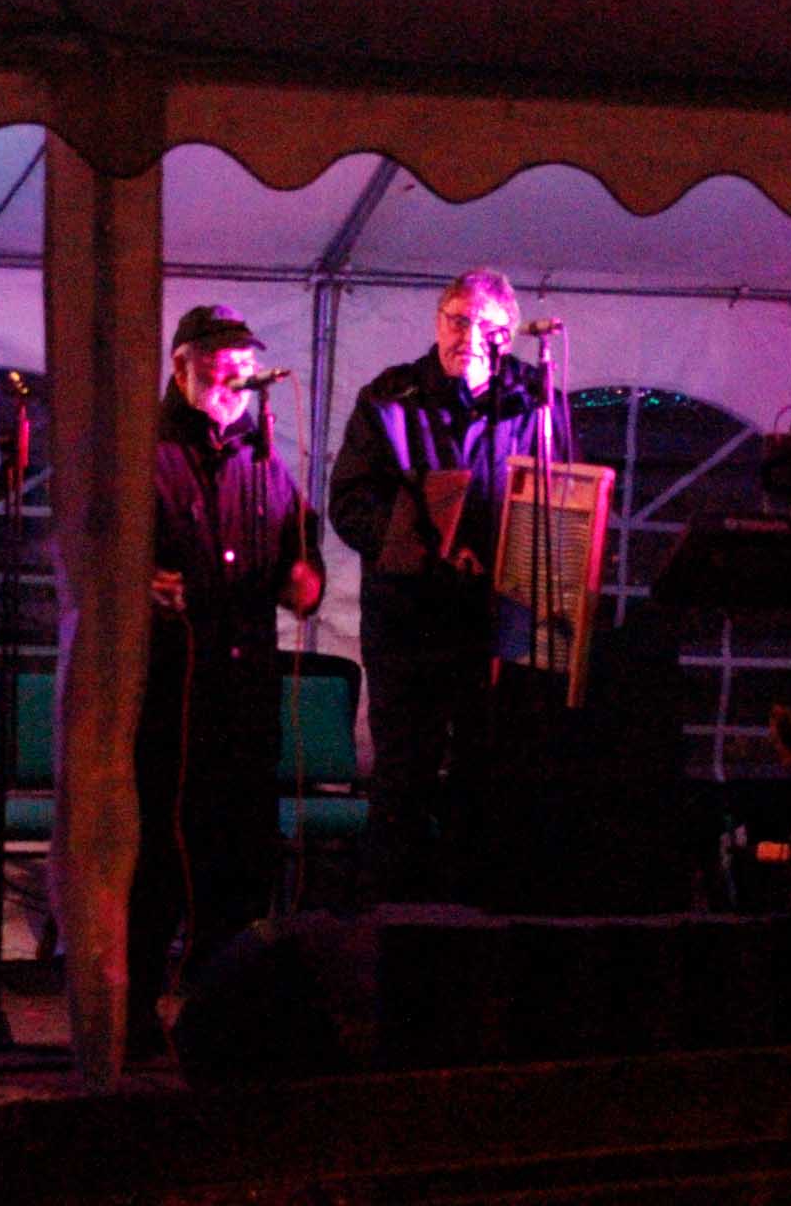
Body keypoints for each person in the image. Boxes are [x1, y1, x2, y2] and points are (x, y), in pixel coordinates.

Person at [326, 268, 562, 903]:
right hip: (409, 626)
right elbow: (349, 503)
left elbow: (565, 497)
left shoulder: (536, 400)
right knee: (403, 778)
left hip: (498, 628)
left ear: (510, 333)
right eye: (457, 321)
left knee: (491, 778)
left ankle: (475, 920)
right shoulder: (389, 399)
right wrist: (421, 546)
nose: (469, 337)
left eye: (485, 327)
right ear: (438, 322)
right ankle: (392, 921)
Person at [129, 304, 324, 1059]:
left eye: (243, 363)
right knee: (160, 855)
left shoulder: (261, 455)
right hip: (171, 691)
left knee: (239, 857)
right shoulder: (144, 451)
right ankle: (134, 1011)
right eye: (219, 363)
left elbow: (298, 544)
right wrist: (139, 581)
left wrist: (304, 575)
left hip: (244, 692)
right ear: (181, 365)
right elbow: (97, 549)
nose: (235, 377)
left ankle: (219, 1013)